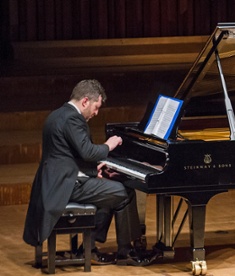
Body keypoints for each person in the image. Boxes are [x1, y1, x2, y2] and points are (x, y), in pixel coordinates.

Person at [23, 79, 156, 266]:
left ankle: (89, 247)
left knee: (109, 193)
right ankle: (127, 252)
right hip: (66, 186)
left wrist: (95, 170)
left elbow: (69, 156)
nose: (96, 113)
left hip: (57, 182)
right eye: (96, 107)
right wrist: (108, 145)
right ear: (85, 101)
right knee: (124, 193)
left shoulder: (58, 114)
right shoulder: (72, 118)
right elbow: (87, 151)